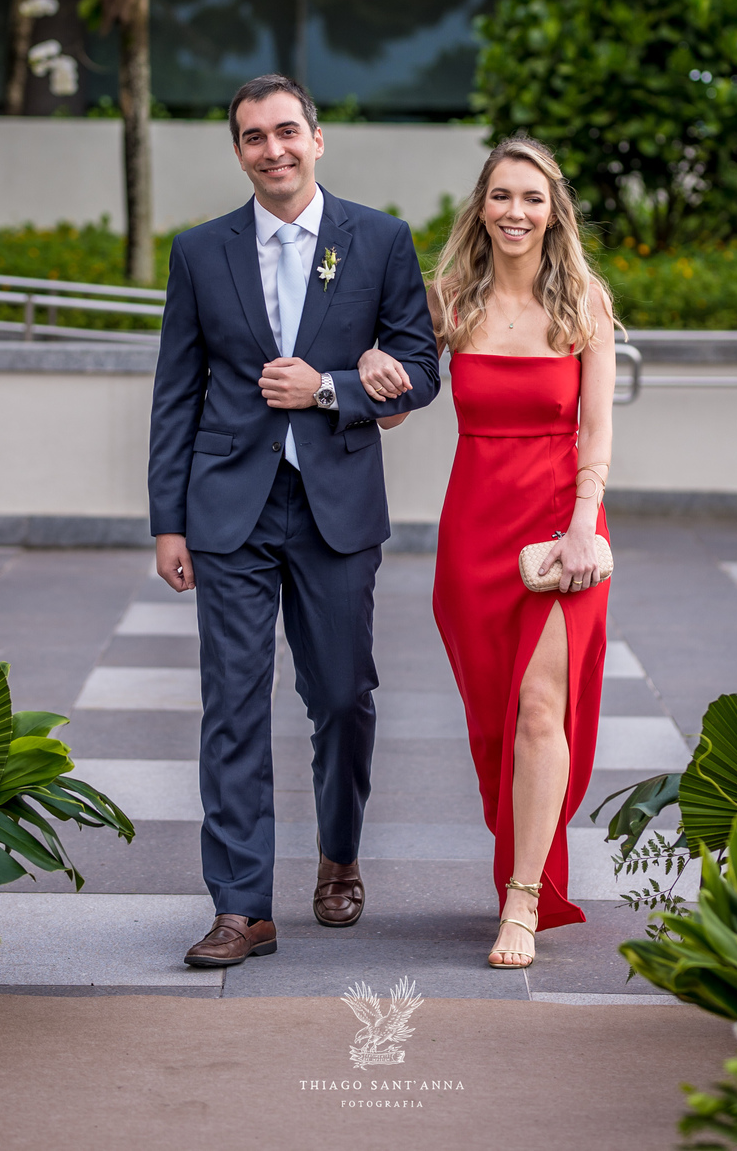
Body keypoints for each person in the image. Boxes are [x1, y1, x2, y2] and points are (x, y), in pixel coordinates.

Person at [149, 74, 441, 970]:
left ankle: (339, 851)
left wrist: (332, 389)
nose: (271, 150)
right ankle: (242, 908)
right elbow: (176, 392)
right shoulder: (201, 252)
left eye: (286, 132)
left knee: (343, 697)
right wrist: (169, 520)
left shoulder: (380, 239)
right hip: (228, 508)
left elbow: (422, 368)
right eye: (252, 137)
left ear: (318, 139)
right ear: (238, 151)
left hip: (336, 507)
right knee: (232, 706)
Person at [361, 136, 615, 968]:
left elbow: (598, 434)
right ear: (482, 207)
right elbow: (399, 406)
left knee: (542, 711)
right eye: (502, 196)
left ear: (554, 210)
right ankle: (522, 853)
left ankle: (523, 898)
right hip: (472, 535)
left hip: (559, 531)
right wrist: (376, 371)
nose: (516, 212)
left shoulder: (584, 302)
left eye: (532, 198)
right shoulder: (451, 302)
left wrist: (584, 523)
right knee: (493, 726)